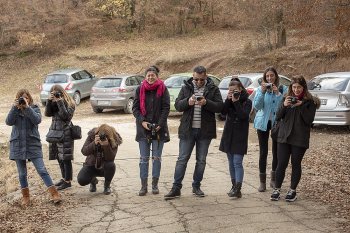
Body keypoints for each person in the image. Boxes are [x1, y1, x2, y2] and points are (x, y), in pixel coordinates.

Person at [164, 66, 224, 199]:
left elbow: (220, 106)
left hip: (205, 131)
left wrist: (206, 102)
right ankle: (176, 188)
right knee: (182, 159)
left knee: (201, 160)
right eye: (196, 79)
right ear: (193, 76)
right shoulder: (186, 87)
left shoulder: (213, 88)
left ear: (206, 77)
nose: (198, 82)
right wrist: (188, 102)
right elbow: (178, 105)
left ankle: (196, 186)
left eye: (201, 80)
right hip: (188, 130)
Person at [5, 89, 61, 206]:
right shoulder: (15, 110)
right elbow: (9, 122)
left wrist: (27, 108)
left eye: (26, 98)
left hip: (32, 144)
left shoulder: (34, 108)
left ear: (29, 99)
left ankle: (55, 194)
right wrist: (15, 107)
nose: (24, 100)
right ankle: (26, 197)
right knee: (22, 174)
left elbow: (37, 120)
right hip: (18, 145)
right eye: (21, 98)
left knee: (42, 170)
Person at [271, 75, 320, 202]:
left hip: (299, 138)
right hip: (284, 137)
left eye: (299, 87)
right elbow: (278, 117)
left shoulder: (310, 102)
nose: (296, 90)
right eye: (294, 87)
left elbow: (309, 120)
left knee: (295, 164)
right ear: (290, 87)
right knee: (281, 163)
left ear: (304, 88)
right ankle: (276, 189)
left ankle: (292, 190)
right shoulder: (285, 98)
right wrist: (284, 105)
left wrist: (301, 105)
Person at [133, 66, 170, 196]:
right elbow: (135, 109)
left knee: (156, 158)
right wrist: (142, 121)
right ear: (145, 76)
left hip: (159, 129)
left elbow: (166, 108)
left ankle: (155, 185)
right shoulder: (139, 89)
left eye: (152, 75)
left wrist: (160, 124)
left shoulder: (163, 88)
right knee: (144, 159)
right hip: (143, 129)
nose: (150, 77)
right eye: (148, 75)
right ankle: (144, 186)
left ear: (157, 76)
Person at [253, 67, 287, 192]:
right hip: (262, 123)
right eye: (267, 76)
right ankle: (262, 182)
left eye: (271, 76)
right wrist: (262, 92)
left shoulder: (283, 89)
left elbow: (282, 107)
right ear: (264, 78)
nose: (269, 78)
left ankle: (273, 179)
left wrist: (277, 94)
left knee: (276, 152)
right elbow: (257, 106)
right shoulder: (260, 90)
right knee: (263, 152)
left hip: (277, 124)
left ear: (276, 77)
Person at [219, 78, 252, 198]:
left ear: (241, 89)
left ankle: (238, 188)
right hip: (229, 134)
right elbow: (222, 113)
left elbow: (243, 116)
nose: (233, 93)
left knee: (237, 162)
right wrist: (228, 100)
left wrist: (236, 102)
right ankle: (233, 186)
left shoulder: (247, 101)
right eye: (231, 90)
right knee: (231, 162)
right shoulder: (229, 99)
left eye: (235, 90)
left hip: (240, 136)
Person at [45, 85, 75, 190]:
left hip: (65, 133)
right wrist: (49, 101)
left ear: (62, 92)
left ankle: (68, 181)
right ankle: (64, 178)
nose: (55, 95)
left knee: (66, 158)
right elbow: (47, 114)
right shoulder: (53, 103)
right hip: (55, 133)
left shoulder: (70, 103)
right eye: (52, 93)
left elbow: (66, 117)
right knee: (59, 157)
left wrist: (59, 101)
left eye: (56, 92)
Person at [77, 124, 122, 195]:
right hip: (91, 164)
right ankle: (93, 181)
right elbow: (84, 151)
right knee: (81, 180)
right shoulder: (92, 135)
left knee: (111, 165)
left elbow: (111, 158)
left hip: (105, 167)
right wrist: (94, 143)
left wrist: (106, 146)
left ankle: (107, 186)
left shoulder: (114, 138)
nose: (103, 138)